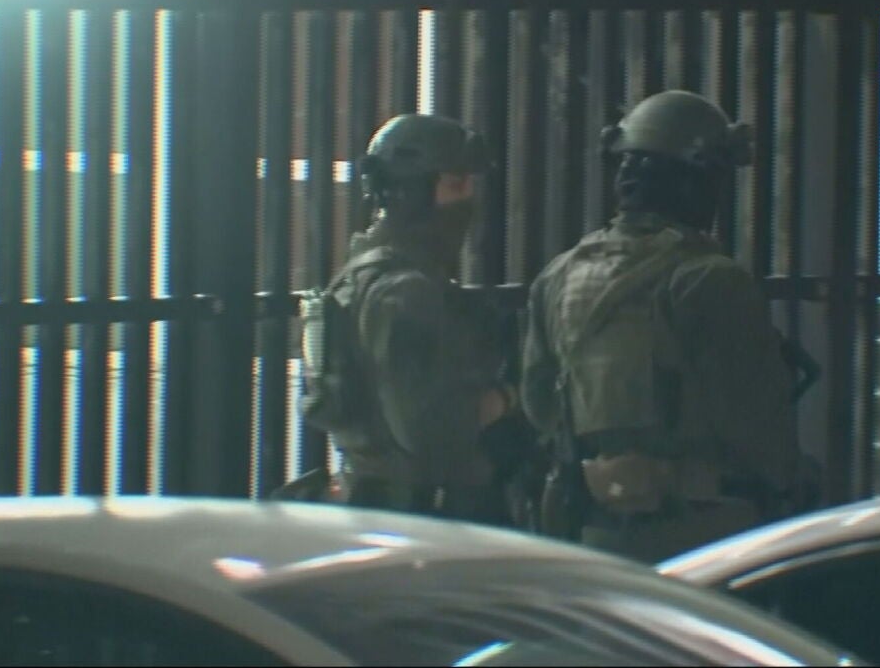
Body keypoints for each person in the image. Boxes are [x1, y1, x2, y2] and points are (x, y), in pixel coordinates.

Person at [520, 90, 801, 562]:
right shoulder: (711, 279)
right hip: (707, 537)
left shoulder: (559, 276)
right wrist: (791, 481)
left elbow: (539, 403)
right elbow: (756, 424)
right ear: (697, 179)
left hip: (596, 534)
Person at [298, 113, 517, 524]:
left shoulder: (357, 277)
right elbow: (431, 431)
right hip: (423, 516)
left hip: (376, 504)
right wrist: (504, 400)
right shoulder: (406, 292)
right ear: (415, 193)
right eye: (456, 185)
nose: (469, 200)